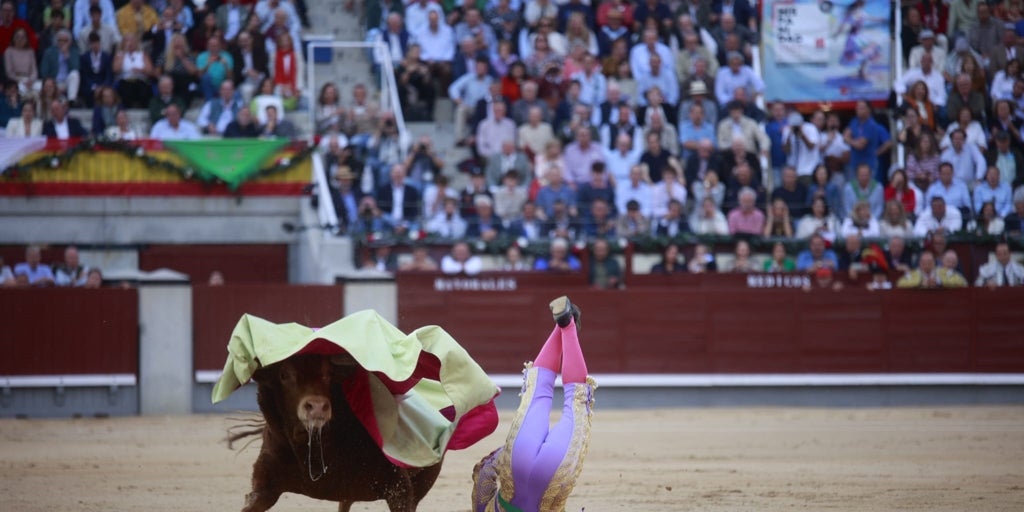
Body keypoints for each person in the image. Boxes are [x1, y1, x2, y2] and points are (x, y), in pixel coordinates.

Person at [473, 296, 595, 512]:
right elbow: (484, 474)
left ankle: (567, 327)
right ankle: (565, 323)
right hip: (517, 461)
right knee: (538, 390)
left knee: (576, 399)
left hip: (554, 471)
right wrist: (502, 454)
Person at [896, 250, 966, 288]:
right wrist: (920, 283)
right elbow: (899, 284)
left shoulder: (944, 272)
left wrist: (940, 282)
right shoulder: (913, 274)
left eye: (929, 262)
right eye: (924, 263)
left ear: (934, 263)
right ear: (920, 263)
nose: (927, 265)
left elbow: (963, 282)